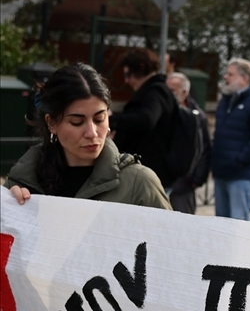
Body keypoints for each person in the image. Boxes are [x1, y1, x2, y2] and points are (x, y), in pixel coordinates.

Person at [5, 63, 171, 210]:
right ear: (51, 123)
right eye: (77, 122)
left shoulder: (138, 183)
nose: (92, 133)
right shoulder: (23, 180)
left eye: (100, 119)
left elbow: (171, 242)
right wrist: (9, 207)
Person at [210, 58, 250, 220]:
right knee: (220, 225)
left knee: (238, 226)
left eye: (230, 74)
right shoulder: (226, 100)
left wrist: (239, 160)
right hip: (221, 172)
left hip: (241, 174)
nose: (225, 77)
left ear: (245, 78)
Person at [109, 49, 177, 188]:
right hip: (147, 173)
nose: (127, 80)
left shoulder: (155, 92)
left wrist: (112, 120)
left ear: (140, 68)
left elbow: (146, 120)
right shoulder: (153, 91)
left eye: (128, 74)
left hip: (150, 175)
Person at [165, 72, 211, 214]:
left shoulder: (197, 116)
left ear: (184, 92)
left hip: (184, 183)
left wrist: (196, 178)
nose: (168, 94)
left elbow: (204, 148)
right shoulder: (162, 111)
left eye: (172, 91)